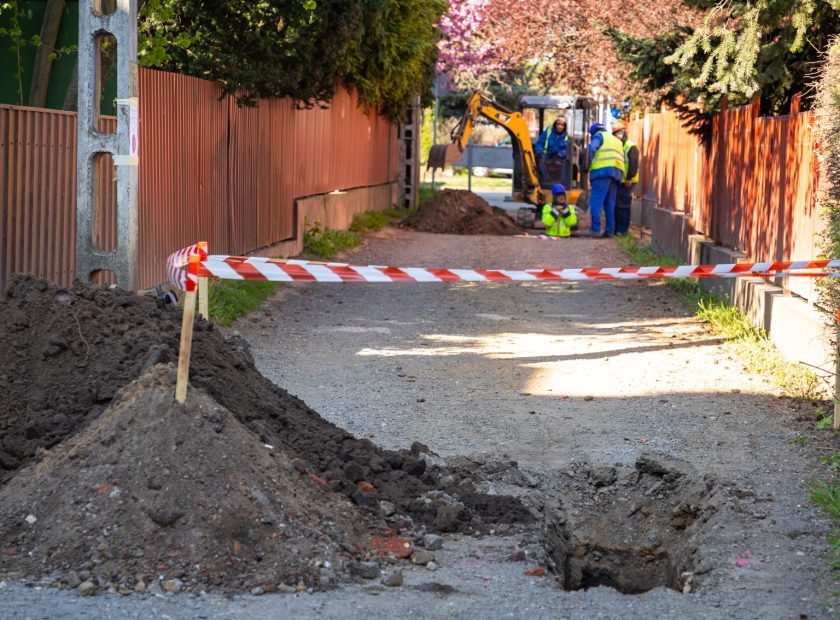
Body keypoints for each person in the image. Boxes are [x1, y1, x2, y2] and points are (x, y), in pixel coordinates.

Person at [586, 122, 625, 238]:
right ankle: (610, 230)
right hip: (617, 173)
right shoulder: (616, 140)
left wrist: (586, 164)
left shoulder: (599, 136)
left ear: (593, 132)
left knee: (596, 202)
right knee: (610, 203)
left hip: (602, 172)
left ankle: (595, 228)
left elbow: (592, 148)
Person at [611, 120, 640, 236]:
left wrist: (629, 178)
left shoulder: (630, 146)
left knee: (623, 206)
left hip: (628, 181)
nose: (618, 136)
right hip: (620, 180)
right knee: (617, 205)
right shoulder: (619, 146)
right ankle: (617, 229)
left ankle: (622, 231)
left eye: (620, 133)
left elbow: (633, 163)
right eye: (616, 134)